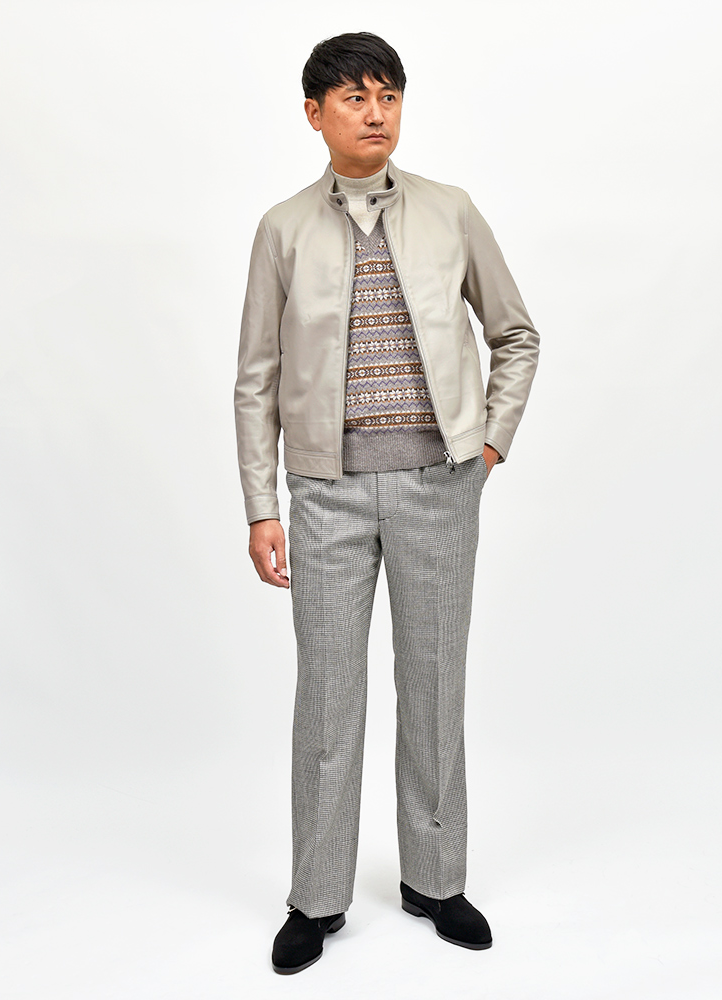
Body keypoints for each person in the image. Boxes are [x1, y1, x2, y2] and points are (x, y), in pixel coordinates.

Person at [234, 31, 539, 975]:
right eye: (355, 98)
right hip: (324, 495)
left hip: (441, 487)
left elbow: (516, 334)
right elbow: (256, 378)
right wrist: (261, 506)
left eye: (389, 96)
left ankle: (435, 881)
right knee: (327, 699)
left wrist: (489, 442)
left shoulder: (451, 211)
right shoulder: (283, 228)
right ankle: (317, 896)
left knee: (436, 686)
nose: (376, 113)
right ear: (314, 113)